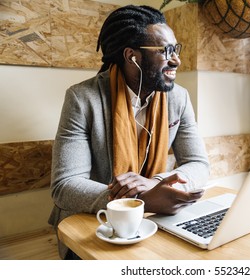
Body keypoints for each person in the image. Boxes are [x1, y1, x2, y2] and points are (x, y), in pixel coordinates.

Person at [48, 5, 210, 259]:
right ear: (131, 56)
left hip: (158, 221)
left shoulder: (179, 98)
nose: (176, 60)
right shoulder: (82, 98)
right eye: (165, 51)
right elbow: (65, 186)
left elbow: (198, 163)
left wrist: (155, 183)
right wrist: (139, 199)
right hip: (95, 225)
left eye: (175, 49)